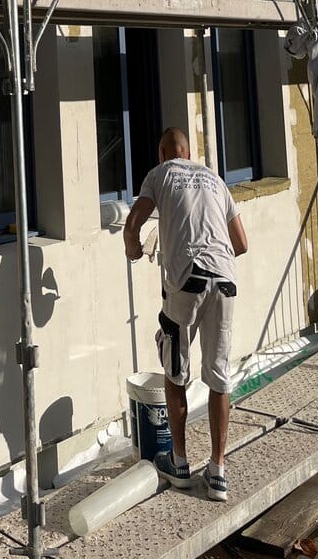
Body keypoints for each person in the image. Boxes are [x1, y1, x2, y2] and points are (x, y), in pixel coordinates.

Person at [123, 126, 249, 501]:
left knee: (175, 369)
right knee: (219, 375)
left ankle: (178, 462)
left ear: (163, 153)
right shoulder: (215, 180)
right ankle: (218, 471)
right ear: (188, 152)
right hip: (225, 280)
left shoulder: (159, 174)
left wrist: (133, 249)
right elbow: (241, 243)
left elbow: (134, 221)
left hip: (187, 278)